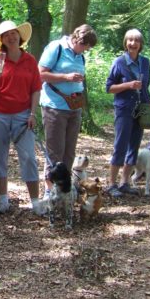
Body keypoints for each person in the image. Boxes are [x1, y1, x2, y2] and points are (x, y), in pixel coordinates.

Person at [0, 20, 42, 213]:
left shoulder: (30, 60)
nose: (11, 37)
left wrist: (33, 113)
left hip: (23, 115)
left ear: (20, 36)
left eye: (13, 33)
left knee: (28, 157)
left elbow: (35, 89)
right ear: (2, 40)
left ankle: (35, 202)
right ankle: (3, 200)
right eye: (6, 34)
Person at [39, 24, 97, 193]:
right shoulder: (56, 48)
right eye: (84, 46)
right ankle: (49, 190)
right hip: (54, 106)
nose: (85, 50)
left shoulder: (80, 56)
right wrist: (66, 77)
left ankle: (63, 188)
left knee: (69, 152)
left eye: (88, 48)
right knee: (54, 152)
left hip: (74, 107)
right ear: (76, 39)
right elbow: (40, 74)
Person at [105, 28, 150, 198]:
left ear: (141, 44)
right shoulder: (119, 62)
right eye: (130, 40)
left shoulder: (145, 63)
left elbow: (145, 86)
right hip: (124, 108)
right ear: (125, 43)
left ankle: (124, 182)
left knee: (134, 145)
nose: (133, 43)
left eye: (136, 40)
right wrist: (128, 85)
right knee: (121, 145)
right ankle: (111, 183)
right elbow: (109, 87)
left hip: (140, 109)